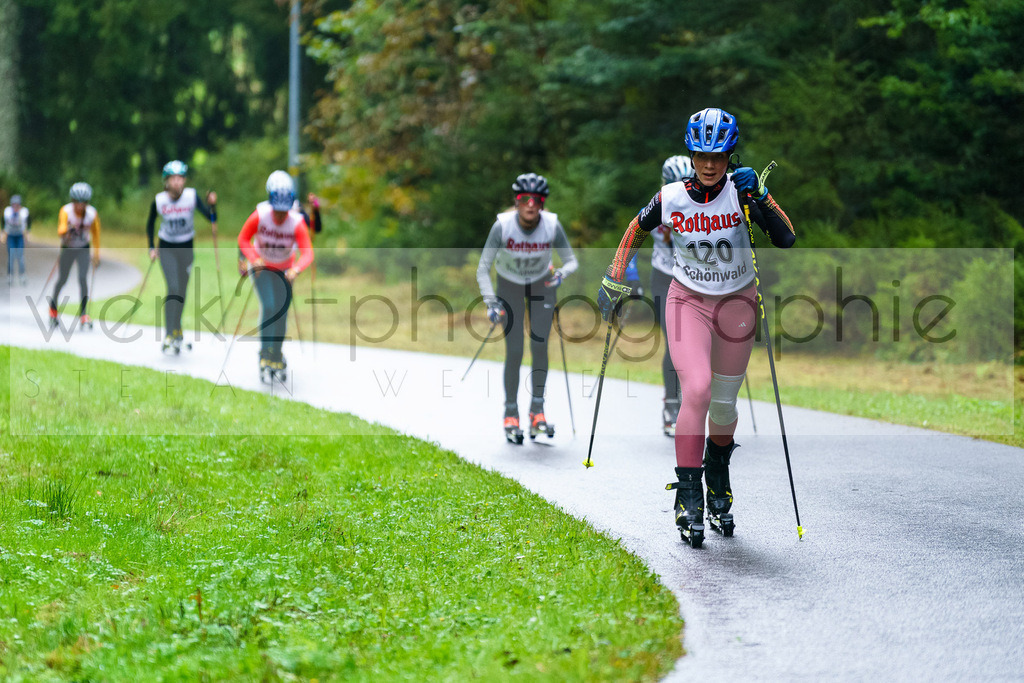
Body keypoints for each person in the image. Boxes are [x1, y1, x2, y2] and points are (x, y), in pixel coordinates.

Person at [597, 108, 795, 547]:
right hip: (687, 300)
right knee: (698, 390)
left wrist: (761, 196)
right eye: (702, 154)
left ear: (731, 155)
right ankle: (688, 497)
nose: (710, 164)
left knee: (723, 406)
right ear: (692, 153)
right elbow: (636, 227)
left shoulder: (743, 193)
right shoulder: (672, 196)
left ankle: (717, 478)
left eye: (719, 156)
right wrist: (614, 276)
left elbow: (787, 238)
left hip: (738, 304)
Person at [476, 172, 578, 443]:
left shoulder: (552, 225)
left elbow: (571, 261)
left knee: (539, 345)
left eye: (537, 199)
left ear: (543, 202)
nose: (530, 204)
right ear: (517, 201)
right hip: (508, 286)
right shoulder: (503, 226)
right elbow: (483, 269)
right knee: (515, 349)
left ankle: (537, 411)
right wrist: (490, 301)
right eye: (524, 199)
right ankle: (511, 413)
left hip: (541, 285)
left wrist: (560, 275)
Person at [237, 170, 314, 382]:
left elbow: (308, 252)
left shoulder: (296, 222)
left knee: (282, 312)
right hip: (262, 269)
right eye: (277, 212)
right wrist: (253, 258)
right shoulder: (260, 215)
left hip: (285, 271)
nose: (280, 216)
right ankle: (264, 352)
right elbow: (243, 239)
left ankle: (276, 353)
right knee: (270, 306)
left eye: (284, 212)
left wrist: (296, 269)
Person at [146, 160, 218, 353]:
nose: (177, 182)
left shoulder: (191, 196)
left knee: (183, 292)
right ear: (166, 181)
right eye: (173, 179)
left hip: (186, 249)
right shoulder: (159, 200)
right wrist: (151, 247)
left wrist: (213, 206)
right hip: (167, 248)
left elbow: (211, 218)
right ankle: (169, 332)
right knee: (173, 287)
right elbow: (150, 223)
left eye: (180, 178)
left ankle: (177, 329)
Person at [653, 155, 695, 435]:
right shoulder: (658, 206)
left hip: (693, 279)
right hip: (664, 277)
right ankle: (671, 403)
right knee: (674, 342)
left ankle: (696, 402)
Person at [49, 183, 101, 329]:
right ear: (72, 201)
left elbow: (96, 235)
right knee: (62, 279)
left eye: (82, 202)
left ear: (86, 202)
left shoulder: (92, 213)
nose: (79, 206)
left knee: (83, 279)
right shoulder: (66, 211)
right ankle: (53, 310)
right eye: (76, 202)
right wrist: (67, 230)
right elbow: (61, 230)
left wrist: (96, 255)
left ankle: (84, 314)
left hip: (83, 248)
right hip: (68, 248)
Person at [3, 194, 31, 286]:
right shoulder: (7, 212)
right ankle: (10, 276)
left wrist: (28, 233)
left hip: (19, 236)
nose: (15, 207)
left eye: (17, 205)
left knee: (20, 257)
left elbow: (29, 221)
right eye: (13, 205)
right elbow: (3, 221)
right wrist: (3, 232)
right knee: (11, 256)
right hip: (11, 235)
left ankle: (22, 275)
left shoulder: (24, 212)